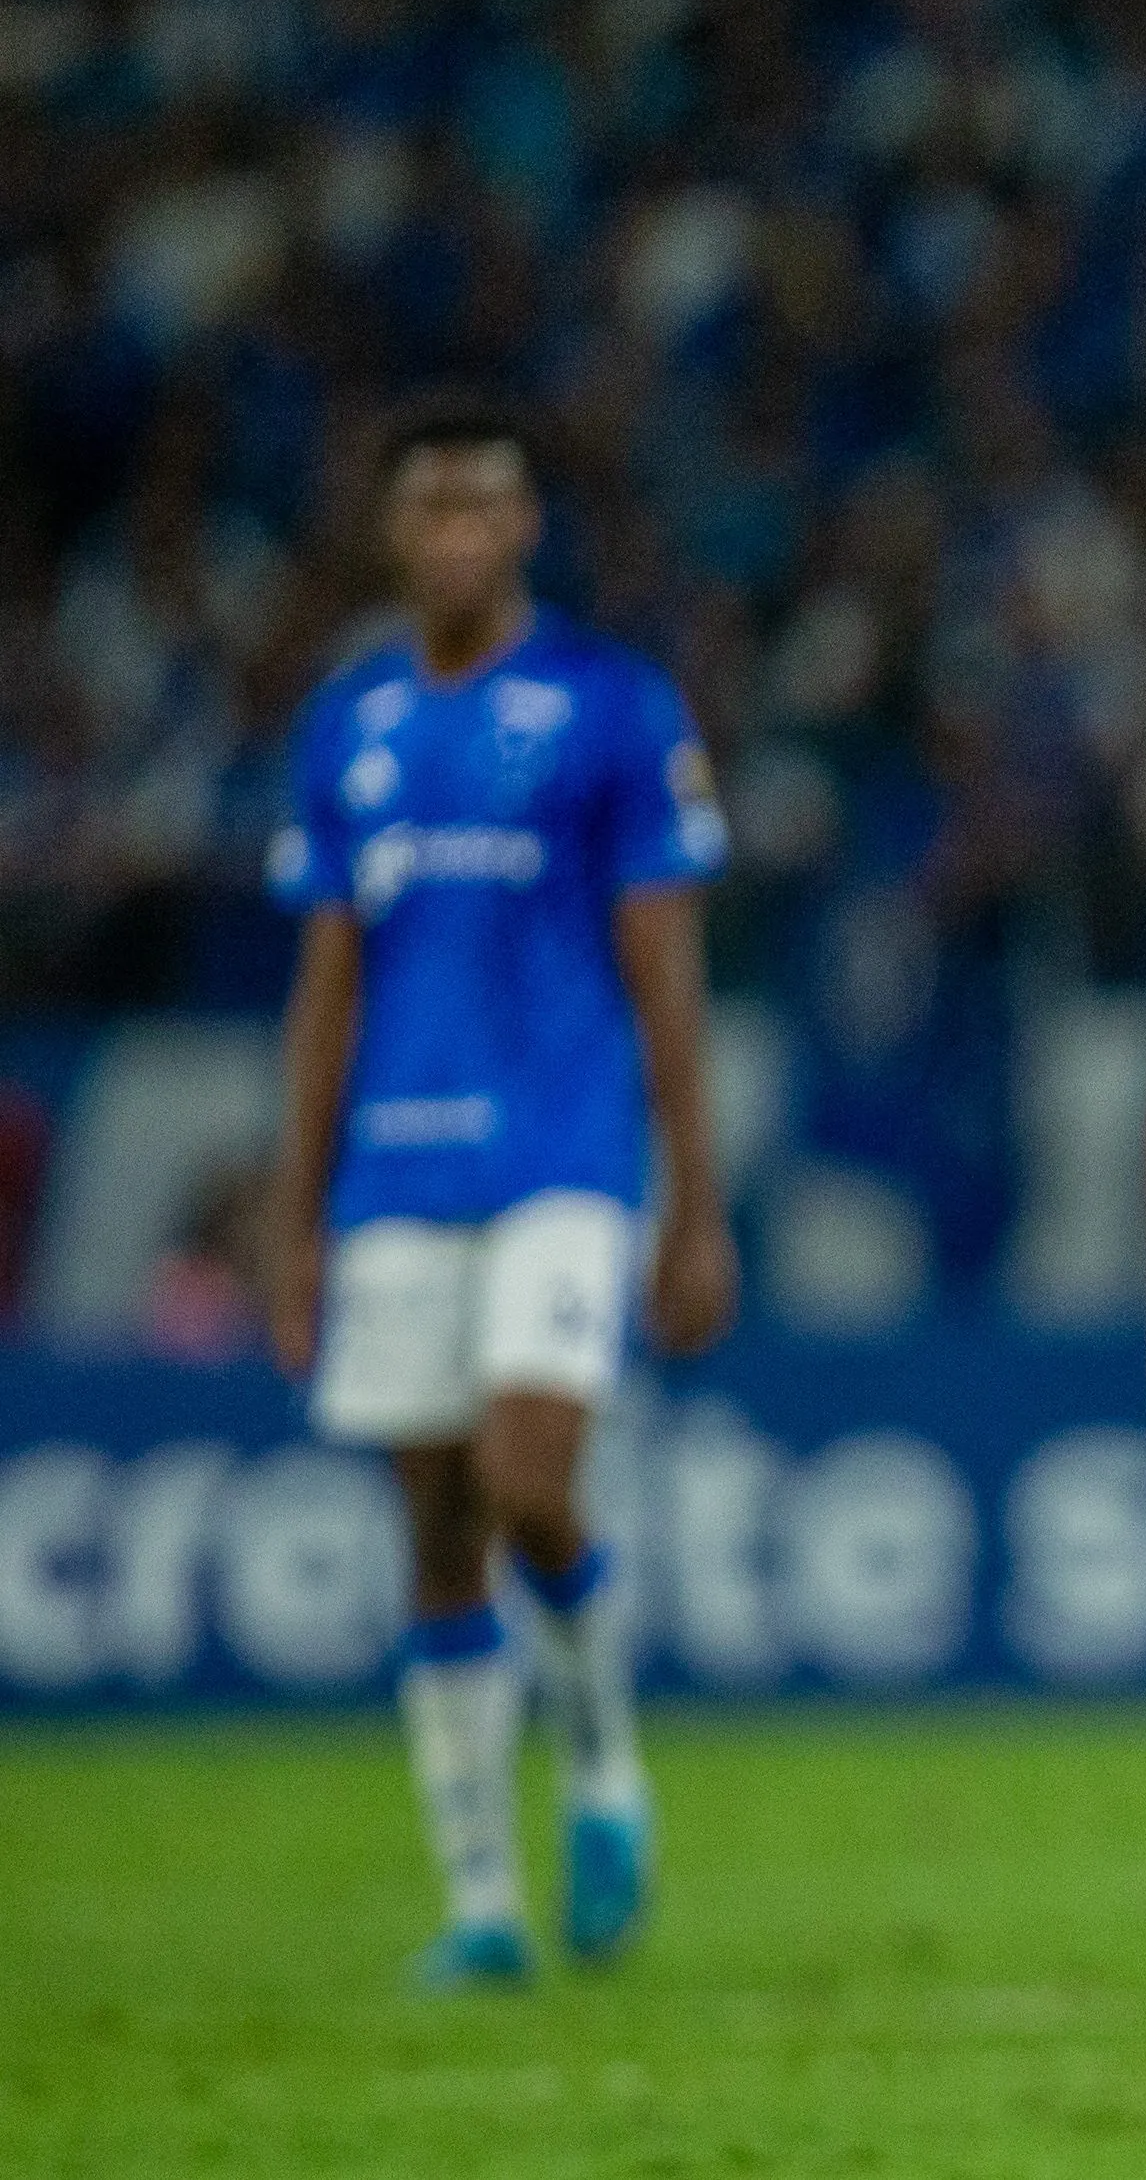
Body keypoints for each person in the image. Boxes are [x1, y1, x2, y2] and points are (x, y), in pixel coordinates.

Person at [262, 401, 738, 1988]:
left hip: (565, 1152)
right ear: (395, 533)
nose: (458, 530)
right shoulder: (348, 725)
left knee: (532, 1473)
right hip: (396, 1165)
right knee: (435, 1530)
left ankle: (603, 1764)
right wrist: (292, 1210)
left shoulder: (608, 707)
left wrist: (695, 1197)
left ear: (527, 526)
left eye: (486, 503)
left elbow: (665, 966)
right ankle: (479, 1902)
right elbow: (326, 983)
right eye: (431, 506)